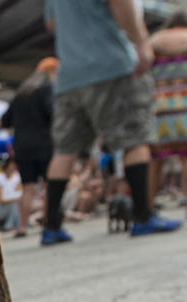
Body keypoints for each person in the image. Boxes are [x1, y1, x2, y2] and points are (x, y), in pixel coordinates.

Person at [41, 0, 181, 243]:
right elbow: (121, 3)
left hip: (69, 77)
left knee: (64, 151)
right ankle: (142, 217)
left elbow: (52, 24)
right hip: (112, 67)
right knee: (135, 140)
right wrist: (140, 41)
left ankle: (51, 227)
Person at [5, 57, 58, 238]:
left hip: (21, 146)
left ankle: (22, 226)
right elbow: (51, 112)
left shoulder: (21, 93)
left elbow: (6, 119)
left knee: (28, 186)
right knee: (50, 184)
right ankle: (50, 223)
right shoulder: (46, 89)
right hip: (43, 144)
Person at [149, 10, 187, 199]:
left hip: (159, 108)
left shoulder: (155, 40)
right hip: (185, 106)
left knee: (155, 160)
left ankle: (146, 208)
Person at [0, 157, 23, 231]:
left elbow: (19, 191)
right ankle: (9, 225)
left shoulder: (17, 176)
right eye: (12, 164)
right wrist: (16, 198)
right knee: (14, 203)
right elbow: (1, 200)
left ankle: (16, 224)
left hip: (6, 207)